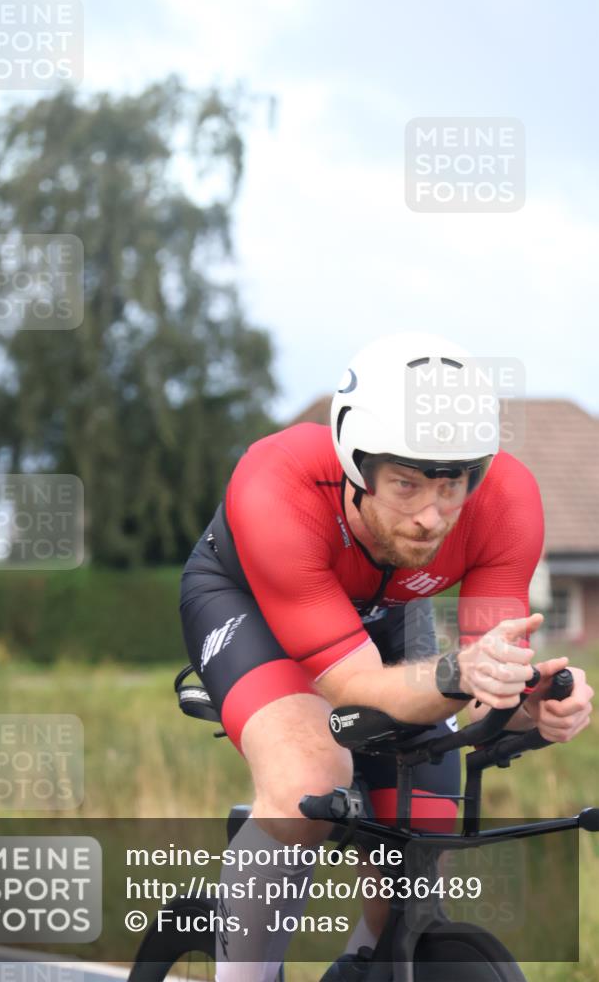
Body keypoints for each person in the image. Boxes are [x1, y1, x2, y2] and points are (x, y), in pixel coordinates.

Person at [179, 331, 594, 982]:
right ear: (353, 462)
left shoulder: (505, 505)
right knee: (310, 775)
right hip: (248, 603)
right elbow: (352, 689)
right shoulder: (277, 483)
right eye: (404, 483)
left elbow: (488, 685)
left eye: (450, 484)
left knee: (426, 829)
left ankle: (362, 969)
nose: (431, 517)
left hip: (385, 617)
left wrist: (533, 703)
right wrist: (460, 675)